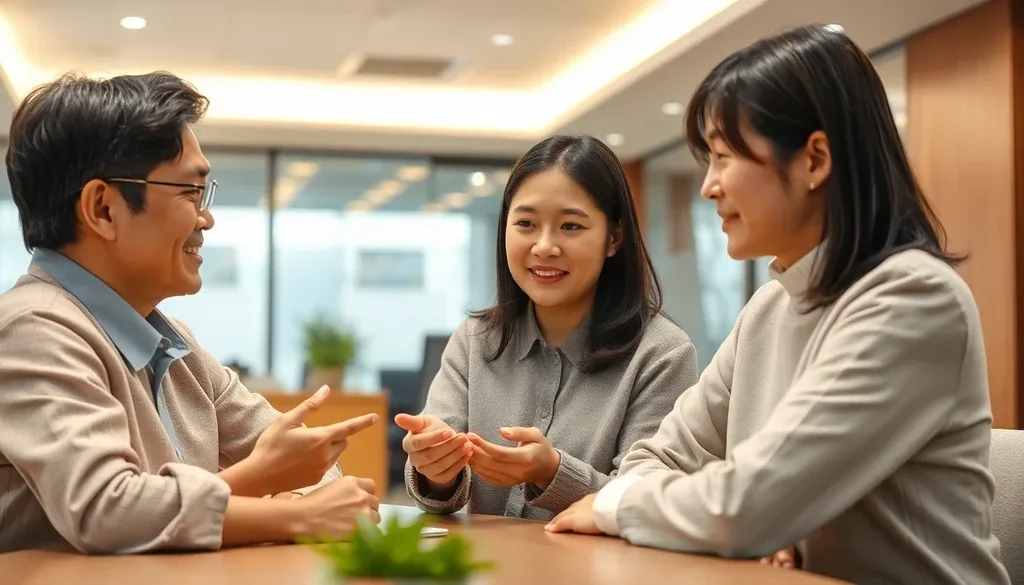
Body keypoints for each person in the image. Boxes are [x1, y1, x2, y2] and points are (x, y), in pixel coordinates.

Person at [545, 25, 1011, 585]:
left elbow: (747, 507)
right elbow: (661, 457)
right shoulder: (768, 308)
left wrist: (616, 507)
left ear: (814, 159)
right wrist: (749, 522)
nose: (708, 187)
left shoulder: (913, 299)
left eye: (723, 157)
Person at [0, 71, 381, 554]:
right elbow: (105, 508)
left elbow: (310, 463)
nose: (207, 218)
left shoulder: (173, 342)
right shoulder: (32, 328)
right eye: (189, 192)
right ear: (102, 208)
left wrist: (295, 490)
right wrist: (283, 503)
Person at [395, 135, 698, 521]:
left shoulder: (662, 354)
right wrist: (434, 467)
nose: (544, 246)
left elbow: (649, 504)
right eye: (525, 223)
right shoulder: (475, 340)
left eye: (571, 226)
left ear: (614, 238)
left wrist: (553, 472)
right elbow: (437, 496)